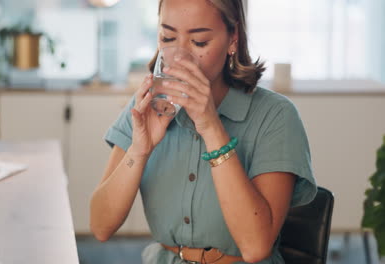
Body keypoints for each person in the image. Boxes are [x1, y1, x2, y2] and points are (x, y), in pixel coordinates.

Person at [90, 0, 317, 263]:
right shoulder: (147, 107)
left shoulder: (275, 115)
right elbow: (100, 226)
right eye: (168, 37)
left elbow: (256, 248)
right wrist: (139, 151)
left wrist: (211, 128)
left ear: (233, 38)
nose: (179, 55)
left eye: (199, 42)